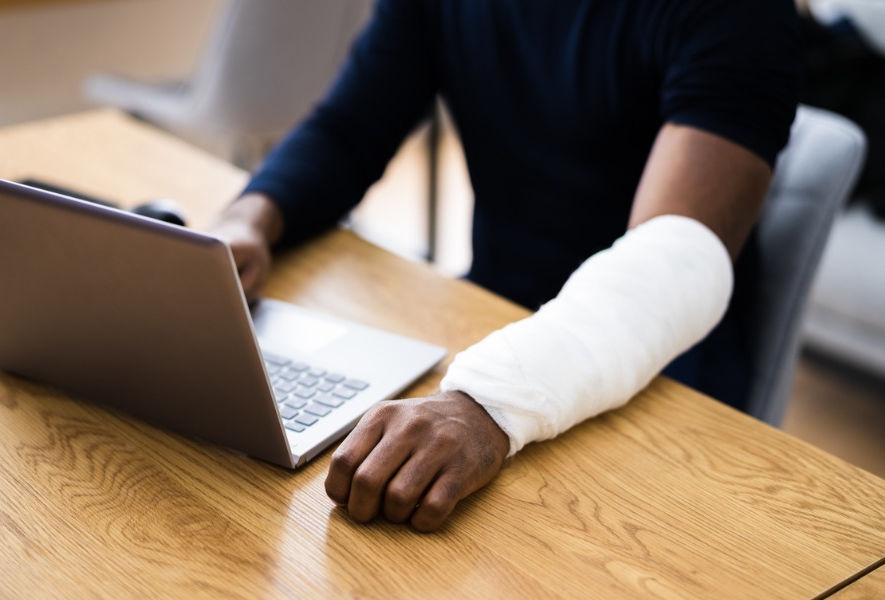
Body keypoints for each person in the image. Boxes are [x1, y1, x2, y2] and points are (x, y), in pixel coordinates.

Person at [211, 0, 802, 532]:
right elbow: (350, 129)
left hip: (662, 373)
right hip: (490, 325)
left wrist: (489, 401)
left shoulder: (741, 13)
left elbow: (677, 260)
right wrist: (249, 221)